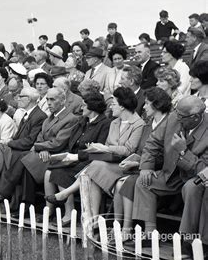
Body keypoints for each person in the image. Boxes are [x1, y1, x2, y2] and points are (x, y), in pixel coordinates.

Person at [132, 96, 208, 239]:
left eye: (181, 116)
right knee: (143, 182)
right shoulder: (174, 116)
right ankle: (150, 234)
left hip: (195, 178)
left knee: (191, 188)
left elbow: (203, 170)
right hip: (171, 173)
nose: (177, 118)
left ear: (196, 117)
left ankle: (188, 239)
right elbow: (153, 142)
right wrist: (147, 166)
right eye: (176, 113)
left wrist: (184, 152)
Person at [0, 88, 79, 206]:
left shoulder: (70, 119)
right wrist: (42, 148)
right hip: (44, 153)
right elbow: (40, 137)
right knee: (25, 163)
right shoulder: (48, 119)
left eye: (52, 99)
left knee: (24, 160)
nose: (49, 103)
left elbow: (58, 143)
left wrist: (38, 147)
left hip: (58, 156)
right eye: (47, 99)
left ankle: (6, 194)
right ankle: (23, 203)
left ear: (62, 101)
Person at [114, 87, 172, 239]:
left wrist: (139, 163)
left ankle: (127, 229)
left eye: (147, 103)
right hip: (142, 168)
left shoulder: (170, 123)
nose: (144, 106)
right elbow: (142, 150)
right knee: (120, 181)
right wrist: (133, 159)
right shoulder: (149, 123)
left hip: (161, 170)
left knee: (127, 183)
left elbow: (168, 155)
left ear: (157, 105)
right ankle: (119, 226)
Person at [44, 92, 111, 222]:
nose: (81, 108)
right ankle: (51, 211)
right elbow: (72, 142)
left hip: (89, 161)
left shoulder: (104, 124)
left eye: (84, 106)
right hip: (74, 158)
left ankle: (69, 213)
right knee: (49, 171)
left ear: (92, 107)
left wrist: (76, 156)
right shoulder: (82, 121)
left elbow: (98, 149)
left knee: (61, 173)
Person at [0, 87, 47, 199]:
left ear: (28, 99)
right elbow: (18, 136)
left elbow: (29, 141)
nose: (18, 98)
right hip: (16, 147)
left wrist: (9, 143)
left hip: (23, 150)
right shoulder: (27, 114)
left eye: (21, 96)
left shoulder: (39, 116)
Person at [82, 87, 145, 219]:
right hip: (110, 162)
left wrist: (105, 148)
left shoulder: (139, 124)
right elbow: (110, 145)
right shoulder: (114, 122)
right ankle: (94, 216)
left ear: (122, 106)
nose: (111, 106)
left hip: (126, 166)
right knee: (93, 171)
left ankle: (92, 216)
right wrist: (99, 148)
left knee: (93, 168)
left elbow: (128, 150)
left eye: (114, 103)